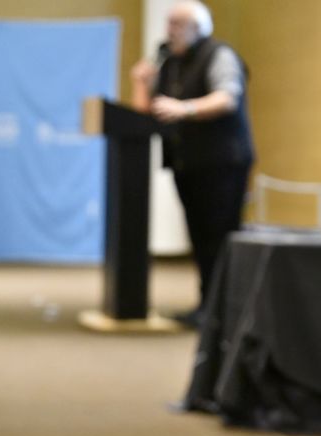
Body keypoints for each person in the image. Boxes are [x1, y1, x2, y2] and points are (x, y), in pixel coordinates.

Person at [130, 0, 254, 328]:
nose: (168, 31)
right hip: (189, 163)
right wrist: (141, 82)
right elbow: (146, 114)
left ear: (197, 28)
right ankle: (207, 307)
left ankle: (224, 311)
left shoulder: (219, 55)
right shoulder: (169, 61)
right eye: (168, 23)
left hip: (223, 162)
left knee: (219, 237)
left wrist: (185, 109)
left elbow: (227, 97)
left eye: (176, 24)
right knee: (199, 238)